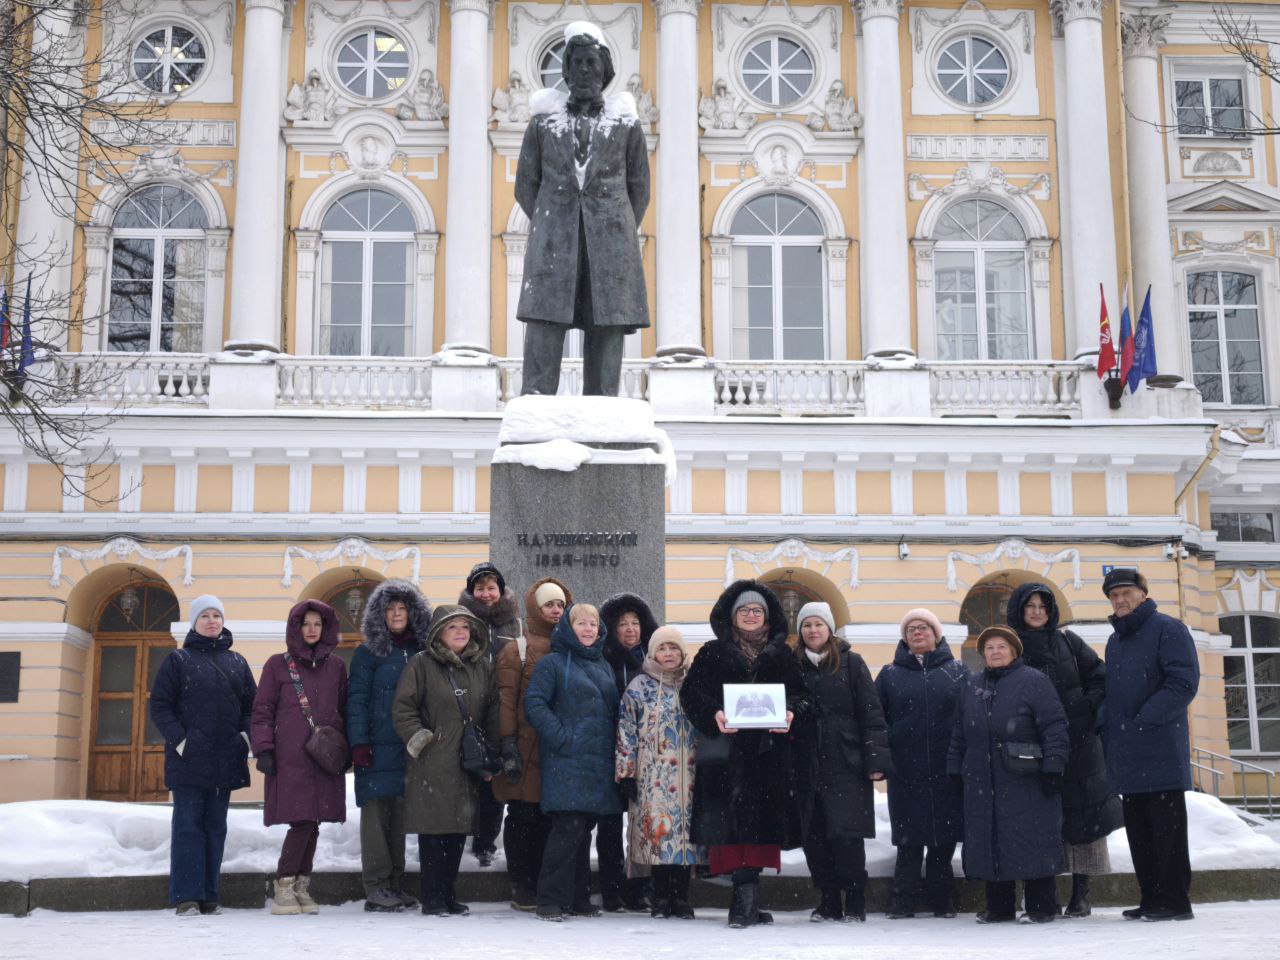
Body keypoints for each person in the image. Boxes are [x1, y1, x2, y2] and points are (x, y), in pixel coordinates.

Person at [514, 21, 650, 397]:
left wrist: (613, 224)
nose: (585, 70)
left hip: (609, 246)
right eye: (578, 64)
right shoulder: (542, 124)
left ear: (604, 70)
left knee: (605, 328)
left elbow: (639, 188)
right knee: (544, 324)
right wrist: (553, 221)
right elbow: (526, 186)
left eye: (593, 63)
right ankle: (535, 407)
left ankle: (604, 407)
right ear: (567, 72)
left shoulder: (626, 125)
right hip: (554, 244)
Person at [680, 580, 810, 928]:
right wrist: (714, 715)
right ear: (732, 616)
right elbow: (691, 693)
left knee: (760, 830)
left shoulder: (782, 654)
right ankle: (745, 899)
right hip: (727, 754)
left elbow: (802, 695)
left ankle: (747, 897)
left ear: (767, 617)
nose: (751, 616)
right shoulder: (711, 652)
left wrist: (792, 713)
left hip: (767, 756)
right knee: (732, 831)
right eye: (744, 611)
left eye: (757, 611)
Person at [1007, 582, 1122, 917]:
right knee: (1040, 820)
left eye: (1043, 605)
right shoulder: (1011, 646)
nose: (1037, 611)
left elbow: (1100, 676)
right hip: (1031, 746)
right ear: (1019, 609)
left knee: (1083, 820)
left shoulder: (1068, 642)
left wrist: (1085, 709)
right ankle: (1043, 893)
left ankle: (1082, 893)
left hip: (1079, 746)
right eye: (1030, 605)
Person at [948, 625, 1069, 923]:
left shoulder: (1034, 682)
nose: (995, 652)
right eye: (989, 648)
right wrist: (954, 767)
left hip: (1025, 776)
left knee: (1031, 838)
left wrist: (1054, 764)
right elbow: (959, 734)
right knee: (991, 837)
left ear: (1014, 651)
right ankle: (999, 906)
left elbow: (1054, 726)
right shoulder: (973, 686)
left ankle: (1043, 905)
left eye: (1002, 646)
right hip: (982, 778)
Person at [1099, 567, 1200, 922]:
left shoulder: (1168, 629)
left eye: (1126, 593)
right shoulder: (1116, 641)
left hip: (1159, 750)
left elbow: (1183, 682)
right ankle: (1152, 898)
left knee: (1167, 833)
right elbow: (1113, 694)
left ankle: (1174, 901)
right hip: (1128, 753)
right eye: (1113, 596)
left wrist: (1144, 719)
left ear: (1143, 593)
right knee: (1140, 833)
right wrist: (1105, 724)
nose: (1120, 600)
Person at [149, 595, 257, 916]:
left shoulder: (237, 662)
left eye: (217, 615)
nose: (212, 620)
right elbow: (160, 706)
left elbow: (252, 707)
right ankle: (186, 896)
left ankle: (209, 895)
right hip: (188, 761)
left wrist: (244, 737)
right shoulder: (178, 661)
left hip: (225, 758)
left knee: (215, 826)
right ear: (195, 622)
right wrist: (181, 740)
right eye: (205, 616)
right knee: (187, 826)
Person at [391, 605, 501, 916]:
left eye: (465, 627)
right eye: (453, 627)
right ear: (439, 632)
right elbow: (403, 708)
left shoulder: (482, 665)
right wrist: (420, 738)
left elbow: (492, 709)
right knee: (434, 831)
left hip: (467, 761)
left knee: (457, 829)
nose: (461, 632)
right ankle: (432, 897)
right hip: (432, 760)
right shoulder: (421, 664)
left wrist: (491, 753)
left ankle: (448, 894)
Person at [793, 602, 892, 923]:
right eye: (806, 625)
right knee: (815, 836)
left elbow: (871, 713)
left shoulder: (852, 663)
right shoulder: (791, 665)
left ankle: (855, 900)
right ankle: (828, 899)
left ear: (829, 629)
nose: (812, 630)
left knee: (847, 835)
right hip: (806, 762)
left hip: (846, 760)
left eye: (818, 625)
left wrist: (875, 759)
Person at [523, 602, 622, 921]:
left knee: (584, 829)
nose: (589, 629)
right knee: (568, 827)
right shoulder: (553, 663)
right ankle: (549, 899)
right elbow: (535, 704)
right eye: (581, 623)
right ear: (569, 627)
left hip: (596, 761)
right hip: (567, 760)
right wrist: (563, 737)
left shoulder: (603, 664)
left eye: (593, 624)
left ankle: (578, 896)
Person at [251, 600, 348, 915]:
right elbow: (262, 710)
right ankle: (284, 884)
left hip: (323, 757)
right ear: (296, 627)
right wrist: (263, 749)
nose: (311, 630)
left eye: (317, 625)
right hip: (291, 756)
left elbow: (343, 710)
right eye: (305, 624)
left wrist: (346, 748)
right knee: (302, 821)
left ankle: (301, 885)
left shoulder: (336, 666)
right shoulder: (277, 664)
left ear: (325, 628)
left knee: (314, 821)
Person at [874, 609, 967, 919]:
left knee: (943, 841)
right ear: (904, 637)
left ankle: (944, 901)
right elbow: (878, 720)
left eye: (924, 628)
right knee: (909, 842)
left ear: (937, 634)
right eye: (911, 629)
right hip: (906, 770)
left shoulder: (958, 671)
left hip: (947, 770)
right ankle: (903, 902)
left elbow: (969, 720)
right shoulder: (889, 674)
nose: (917, 633)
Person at [347, 580, 432, 912]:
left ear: (412, 613)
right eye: (390, 609)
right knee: (376, 819)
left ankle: (394, 883)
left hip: (409, 749)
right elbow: (356, 701)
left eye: (402, 608)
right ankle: (377, 885)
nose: (397, 614)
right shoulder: (368, 653)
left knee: (398, 818)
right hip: (376, 748)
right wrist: (359, 743)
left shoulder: (422, 653)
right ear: (379, 616)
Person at [492, 577, 572, 910]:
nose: (555, 611)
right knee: (522, 816)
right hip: (525, 748)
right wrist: (507, 743)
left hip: (557, 748)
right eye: (549, 605)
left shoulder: (570, 647)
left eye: (560, 605)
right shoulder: (517, 649)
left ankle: (542, 880)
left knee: (547, 817)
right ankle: (521, 883)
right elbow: (505, 701)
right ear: (535, 609)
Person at [615, 625, 701, 920]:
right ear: (653, 653)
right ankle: (661, 895)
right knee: (659, 836)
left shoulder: (693, 683)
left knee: (685, 838)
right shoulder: (639, 687)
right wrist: (626, 773)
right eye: (662, 649)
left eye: (674, 648)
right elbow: (626, 731)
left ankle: (682, 896)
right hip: (652, 776)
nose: (668, 654)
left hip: (689, 775)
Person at [458, 562, 522, 869]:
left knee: (493, 780)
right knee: (467, 775)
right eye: (480, 588)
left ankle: (485, 841)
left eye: (491, 588)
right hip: (467, 704)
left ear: (501, 591)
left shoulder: (515, 624)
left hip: (502, 706)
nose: (486, 594)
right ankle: (462, 836)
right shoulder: (460, 621)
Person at [598, 592, 659, 912]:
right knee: (609, 823)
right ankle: (610, 888)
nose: (630, 629)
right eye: (623, 624)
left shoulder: (653, 660)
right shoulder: (601, 658)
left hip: (646, 754)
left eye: (635, 623)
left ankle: (639, 888)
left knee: (642, 824)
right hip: (607, 750)